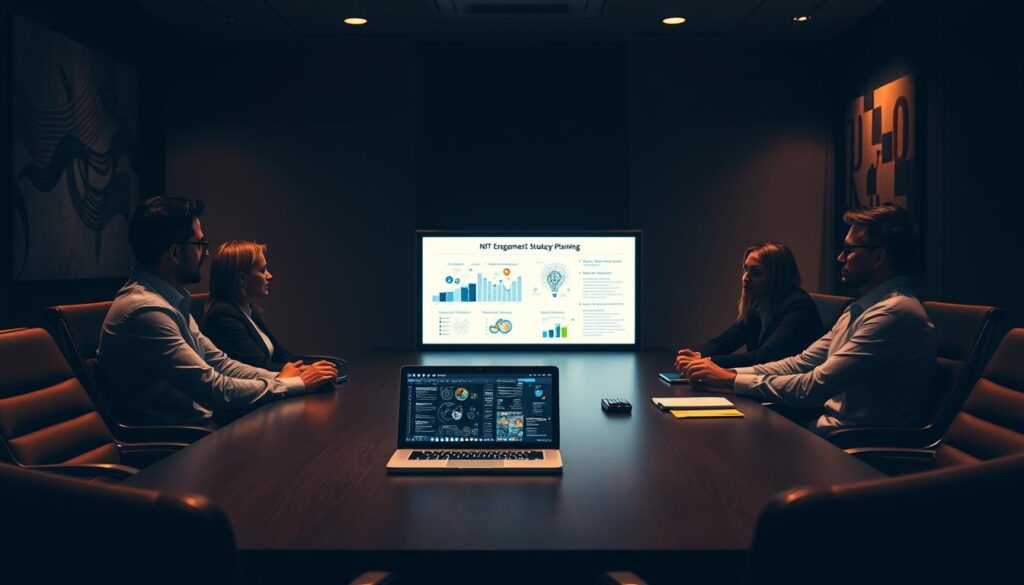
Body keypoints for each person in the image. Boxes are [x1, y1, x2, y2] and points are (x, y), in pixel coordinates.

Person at [683, 203, 936, 432]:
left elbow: (814, 387)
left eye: (849, 249)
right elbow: (800, 363)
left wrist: (732, 379)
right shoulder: (862, 308)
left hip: (854, 445)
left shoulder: (893, 313)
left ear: (878, 257)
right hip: (827, 431)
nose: (840, 257)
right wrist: (725, 373)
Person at [97, 197, 338, 427]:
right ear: (175, 253)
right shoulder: (146, 311)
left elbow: (222, 364)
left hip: (201, 432)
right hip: (176, 447)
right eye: (200, 244)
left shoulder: (169, 302)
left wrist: (282, 379)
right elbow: (214, 389)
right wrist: (294, 384)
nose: (205, 253)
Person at [674, 242, 824, 372]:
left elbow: (764, 357)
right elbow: (724, 342)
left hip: (791, 398)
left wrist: (707, 362)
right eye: (745, 269)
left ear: (777, 277)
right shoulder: (759, 304)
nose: (745, 278)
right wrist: (695, 356)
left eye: (756, 273)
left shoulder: (798, 305)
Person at [202, 241, 340, 371]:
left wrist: (319, 365)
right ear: (243, 278)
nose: (269, 276)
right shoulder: (222, 316)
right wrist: (309, 372)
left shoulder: (247, 311)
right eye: (263, 270)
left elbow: (282, 355)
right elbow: (260, 367)